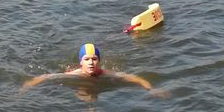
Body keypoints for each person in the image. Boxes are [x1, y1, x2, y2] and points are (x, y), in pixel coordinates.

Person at [22, 43, 153, 90]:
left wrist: (151, 89)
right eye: (87, 59)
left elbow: (133, 77)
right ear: (81, 62)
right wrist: (28, 85)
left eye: (94, 59)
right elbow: (47, 76)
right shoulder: (75, 74)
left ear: (99, 61)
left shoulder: (105, 73)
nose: (91, 62)